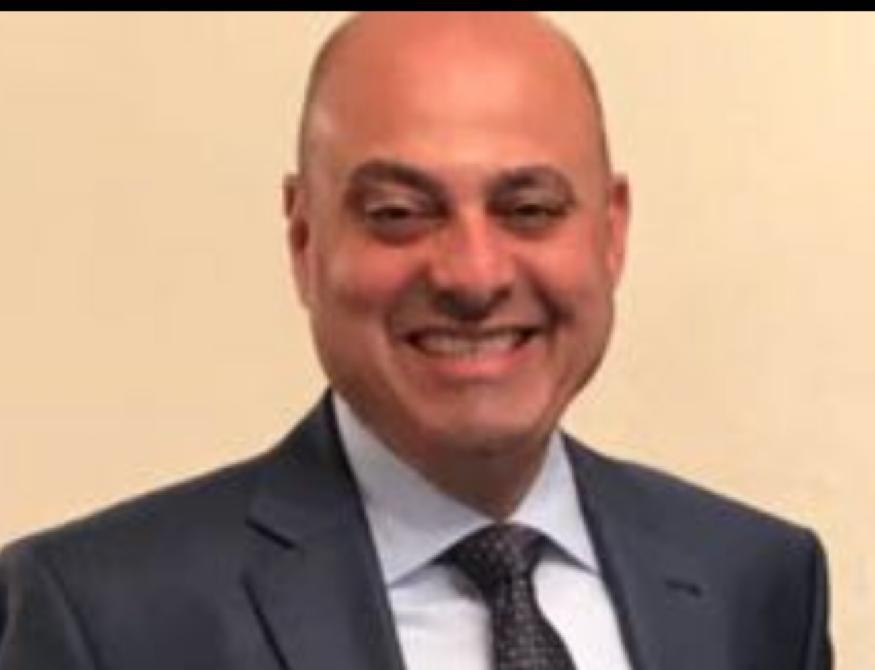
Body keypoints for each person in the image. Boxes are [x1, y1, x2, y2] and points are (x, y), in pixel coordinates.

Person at [0, 11, 831, 670]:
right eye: (399, 214)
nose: (473, 274)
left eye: (529, 209)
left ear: (611, 233)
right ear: (304, 239)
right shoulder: (104, 620)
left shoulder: (757, 584)